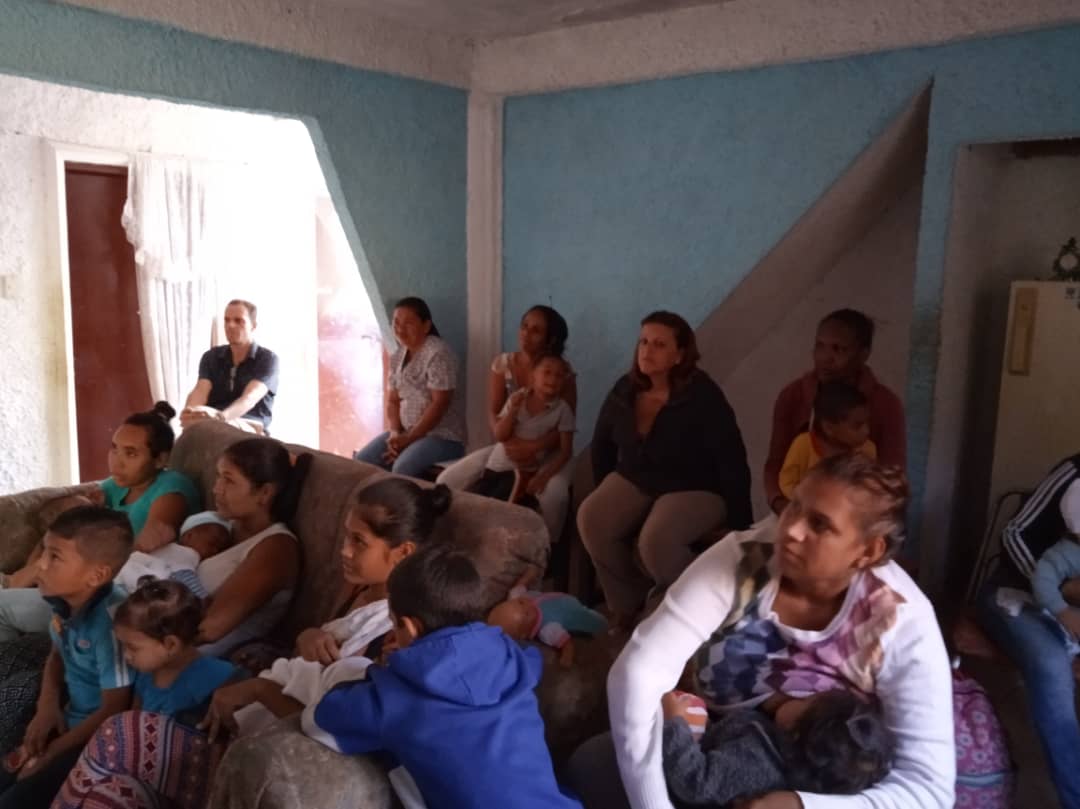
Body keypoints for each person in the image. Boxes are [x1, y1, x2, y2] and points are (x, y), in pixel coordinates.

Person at [566, 454, 954, 809]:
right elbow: (640, 672)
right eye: (794, 505)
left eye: (820, 524)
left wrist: (799, 805)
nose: (792, 530)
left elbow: (928, 790)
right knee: (594, 765)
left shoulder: (901, 622)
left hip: (824, 786)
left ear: (868, 551)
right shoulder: (741, 562)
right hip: (719, 747)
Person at [51, 478, 452, 809]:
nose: (344, 551)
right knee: (117, 792)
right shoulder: (362, 592)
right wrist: (306, 635)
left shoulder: (392, 635)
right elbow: (312, 662)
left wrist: (257, 689)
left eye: (359, 542)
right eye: (346, 536)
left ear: (403, 553)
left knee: (123, 734)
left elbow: (333, 729)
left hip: (265, 757)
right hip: (245, 726)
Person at [302, 543, 582, 809]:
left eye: (394, 624)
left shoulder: (395, 698)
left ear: (409, 627)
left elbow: (317, 720)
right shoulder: (511, 657)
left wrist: (376, 675)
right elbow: (531, 659)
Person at [577, 310, 752, 629]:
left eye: (659, 344)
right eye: (643, 342)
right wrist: (608, 492)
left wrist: (741, 523)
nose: (647, 350)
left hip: (696, 485)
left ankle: (699, 606)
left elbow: (732, 457)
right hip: (639, 477)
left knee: (656, 540)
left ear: (679, 355)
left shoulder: (702, 396)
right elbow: (602, 445)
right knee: (592, 518)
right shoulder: (625, 389)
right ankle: (628, 604)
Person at [0, 402, 200, 642]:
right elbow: (63, 526)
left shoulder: (171, 490)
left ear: (160, 459)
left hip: (111, 594)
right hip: (76, 582)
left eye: (131, 453)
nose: (117, 461)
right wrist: (34, 570)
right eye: (114, 449)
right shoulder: (116, 486)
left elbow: (150, 541)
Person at [0, 507, 135, 809]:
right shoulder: (64, 602)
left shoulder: (113, 625)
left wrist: (52, 752)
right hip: (67, 715)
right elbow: (57, 654)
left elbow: (114, 708)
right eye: (44, 552)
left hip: (94, 737)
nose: (40, 566)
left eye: (55, 557)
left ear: (97, 575)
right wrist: (46, 706)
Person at [977, 453, 1080, 809]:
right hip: (1018, 592)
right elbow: (1014, 534)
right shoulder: (1074, 472)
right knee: (1051, 664)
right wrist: (1059, 591)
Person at [438, 305, 577, 540]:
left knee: (555, 496)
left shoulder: (560, 373)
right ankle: (460, 540)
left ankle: (549, 548)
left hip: (548, 451)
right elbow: (493, 413)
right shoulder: (503, 365)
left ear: (550, 338)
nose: (526, 334)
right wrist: (508, 441)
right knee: (447, 480)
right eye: (524, 326)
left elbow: (567, 426)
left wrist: (532, 447)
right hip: (507, 445)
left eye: (536, 330)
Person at [764, 309, 905, 516]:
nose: (825, 358)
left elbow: (891, 480)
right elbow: (775, 465)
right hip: (795, 510)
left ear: (863, 355)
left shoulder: (885, 405)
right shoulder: (793, 396)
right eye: (819, 346)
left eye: (838, 349)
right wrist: (783, 506)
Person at [661, 689, 893, 807]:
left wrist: (676, 723)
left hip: (672, 785)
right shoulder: (771, 738)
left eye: (805, 701)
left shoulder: (755, 764)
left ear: (796, 732)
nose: (798, 695)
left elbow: (694, 783)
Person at [195, 438, 311, 657]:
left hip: (193, 657)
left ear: (265, 493)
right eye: (219, 477)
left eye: (229, 481)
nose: (216, 489)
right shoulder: (222, 527)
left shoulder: (276, 548)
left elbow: (209, 628)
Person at [354, 297, 466, 478]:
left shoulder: (438, 353)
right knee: (361, 462)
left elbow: (440, 404)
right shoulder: (398, 356)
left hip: (441, 436)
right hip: (405, 434)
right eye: (396, 323)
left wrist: (409, 439)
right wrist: (395, 434)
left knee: (402, 468)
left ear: (426, 326)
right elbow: (392, 401)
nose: (400, 329)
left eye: (408, 324)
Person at [112, 579, 239, 723]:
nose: (126, 656)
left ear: (171, 644)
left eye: (132, 648)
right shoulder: (147, 674)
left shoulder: (216, 677)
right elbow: (134, 719)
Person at [467, 352, 575, 509]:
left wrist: (543, 477)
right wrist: (512, 411)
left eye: (559, 376)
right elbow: (500, 435)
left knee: (502, 511)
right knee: (479, 506)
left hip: (521, 473)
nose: (552, 379)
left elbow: (566, 452)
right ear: (534, 375)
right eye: (547, 372)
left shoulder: (563, 410)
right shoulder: (518, 398)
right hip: (495, 467)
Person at [181, 299, 280, 433]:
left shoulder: (268, 359)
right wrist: (190, 412)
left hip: (249, 425)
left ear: (253, 325)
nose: (230, 325)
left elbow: (250, 398)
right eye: (227, 320)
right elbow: (200, 391)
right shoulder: (211, 357)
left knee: (215, 428)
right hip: (212, 422)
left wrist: (221, 418)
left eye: (238, 321)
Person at [778, 381, 876, 499]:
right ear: (829, 428)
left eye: (867, 423)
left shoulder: (868, 450)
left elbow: (869, 487)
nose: (866, 431)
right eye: (857, 426)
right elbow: (787, 481)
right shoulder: (803, 445)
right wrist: (802, 500)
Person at [116, 511, 231, 596]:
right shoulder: (185, 553)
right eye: (212, 544)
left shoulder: (168, 548)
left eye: (220, 549)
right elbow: (183, 576)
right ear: (189, 536)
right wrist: (203, 600)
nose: (215, 551)